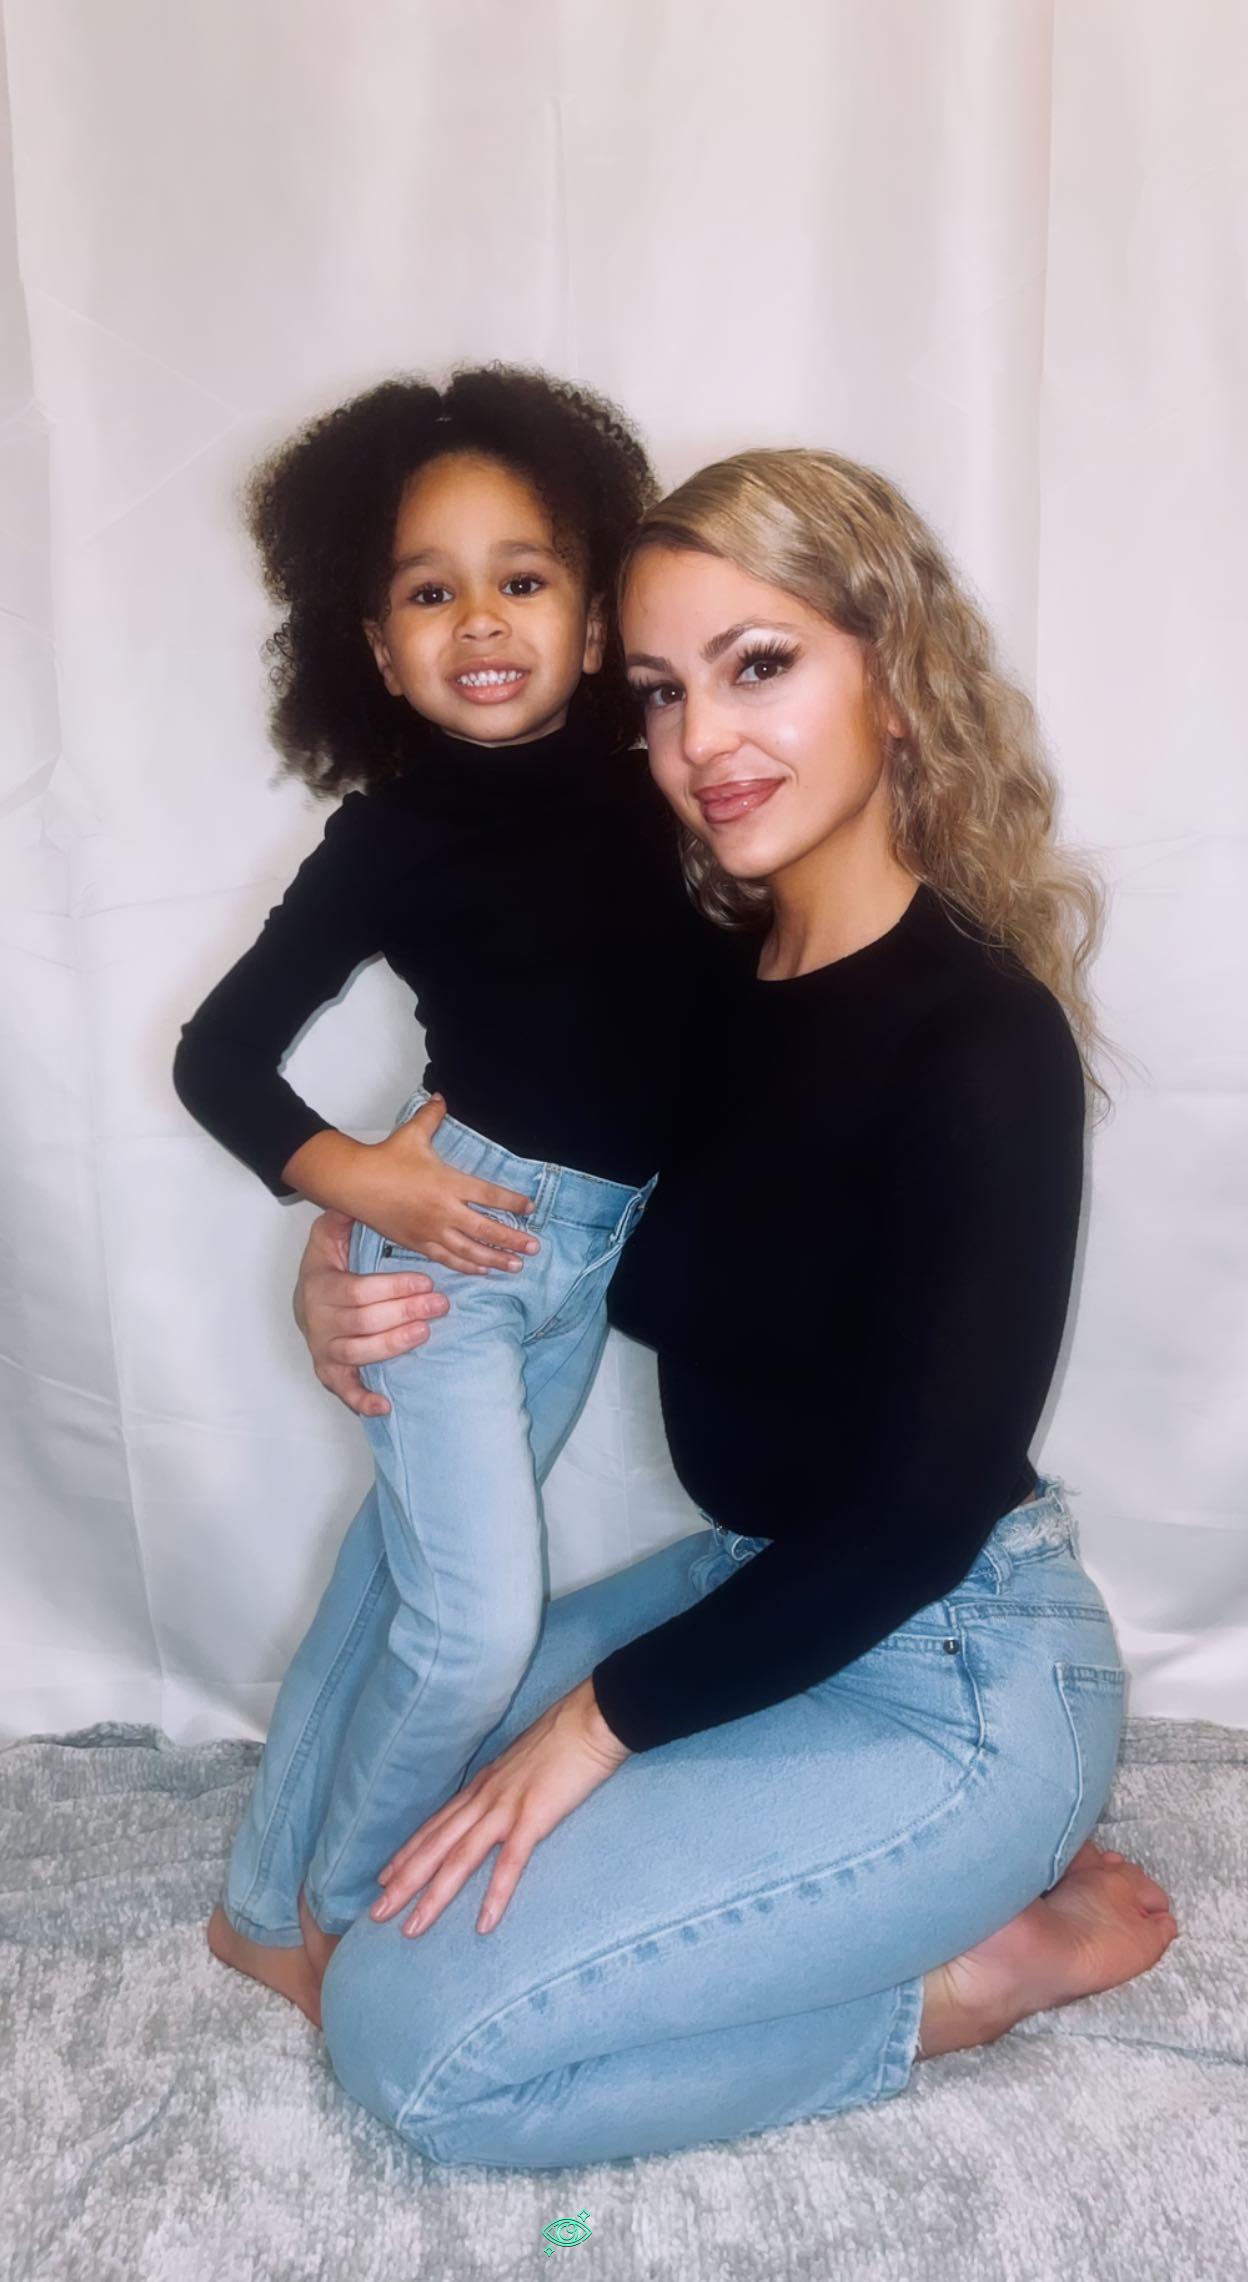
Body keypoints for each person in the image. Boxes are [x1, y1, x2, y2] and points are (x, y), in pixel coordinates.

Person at [281, 447, 1178, 2168]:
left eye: (758, 664)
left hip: (953, 1657)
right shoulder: (710, 976)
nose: (701, 740)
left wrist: (595, 1726)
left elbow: (918, 1515)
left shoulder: (979, 1039)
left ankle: (971, 1976)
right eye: (659, 690)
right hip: (753, 1588)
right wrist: (344, 1265)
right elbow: (502, 1176)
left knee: (406, 2043)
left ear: (894, 676)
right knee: (391, 1775)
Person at [173, 368, 731, 2008]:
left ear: (596, 611)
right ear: (373, 642)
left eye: (523, 577)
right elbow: (217, 1055)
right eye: (430, 591)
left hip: (585, 1264)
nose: (480, 619)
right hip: (449, 1255)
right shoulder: (391, 836)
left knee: (392, 1585)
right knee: (475, 1627)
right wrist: (357, 1182)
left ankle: (259, 1905)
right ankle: (346, 1916)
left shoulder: (664, 772)